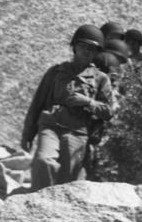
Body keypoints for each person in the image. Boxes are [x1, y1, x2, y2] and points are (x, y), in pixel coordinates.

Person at [21, 24, 116, 191]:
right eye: (83, 46)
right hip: (51, 125)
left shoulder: (101, 79)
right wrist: (27, 135)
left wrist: (88, 102)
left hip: (78, 132)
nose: (87, 52)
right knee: (44, 160)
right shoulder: (56, 72)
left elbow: (109, 111)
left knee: (66, 181)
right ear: (74, 47)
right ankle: (35, 202)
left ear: (97, 53)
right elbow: (38, 103)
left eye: (92, 49)